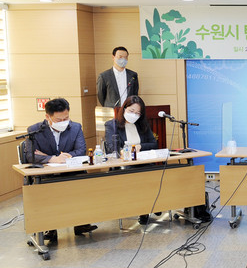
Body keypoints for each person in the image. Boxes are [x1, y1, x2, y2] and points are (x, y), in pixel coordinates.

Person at [23, 98, 96, 241]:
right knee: (45, 189)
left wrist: (61, 156)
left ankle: (81, 223)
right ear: (47, 117)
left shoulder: (75, 127)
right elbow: (30, 156)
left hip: (71, 171)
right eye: (58, 120)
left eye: (66, 118)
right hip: (47, 174)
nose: (63, 122)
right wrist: (52, 158)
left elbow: (81, 150)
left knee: (82, 182)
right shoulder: (34, 130)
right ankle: (50, 228)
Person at [105, 95, 158, 225]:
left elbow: (154, 143)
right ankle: (145, 208)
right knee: (138, 177)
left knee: (155, 174)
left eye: (138, 113)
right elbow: (112, 147)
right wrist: (125, 151)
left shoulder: (142, 125)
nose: (134, 115)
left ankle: (152, 205)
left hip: (143, 163)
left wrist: (140, 146)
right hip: (124, 166)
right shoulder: (112, 125)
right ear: (124, 109)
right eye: (131, 111)